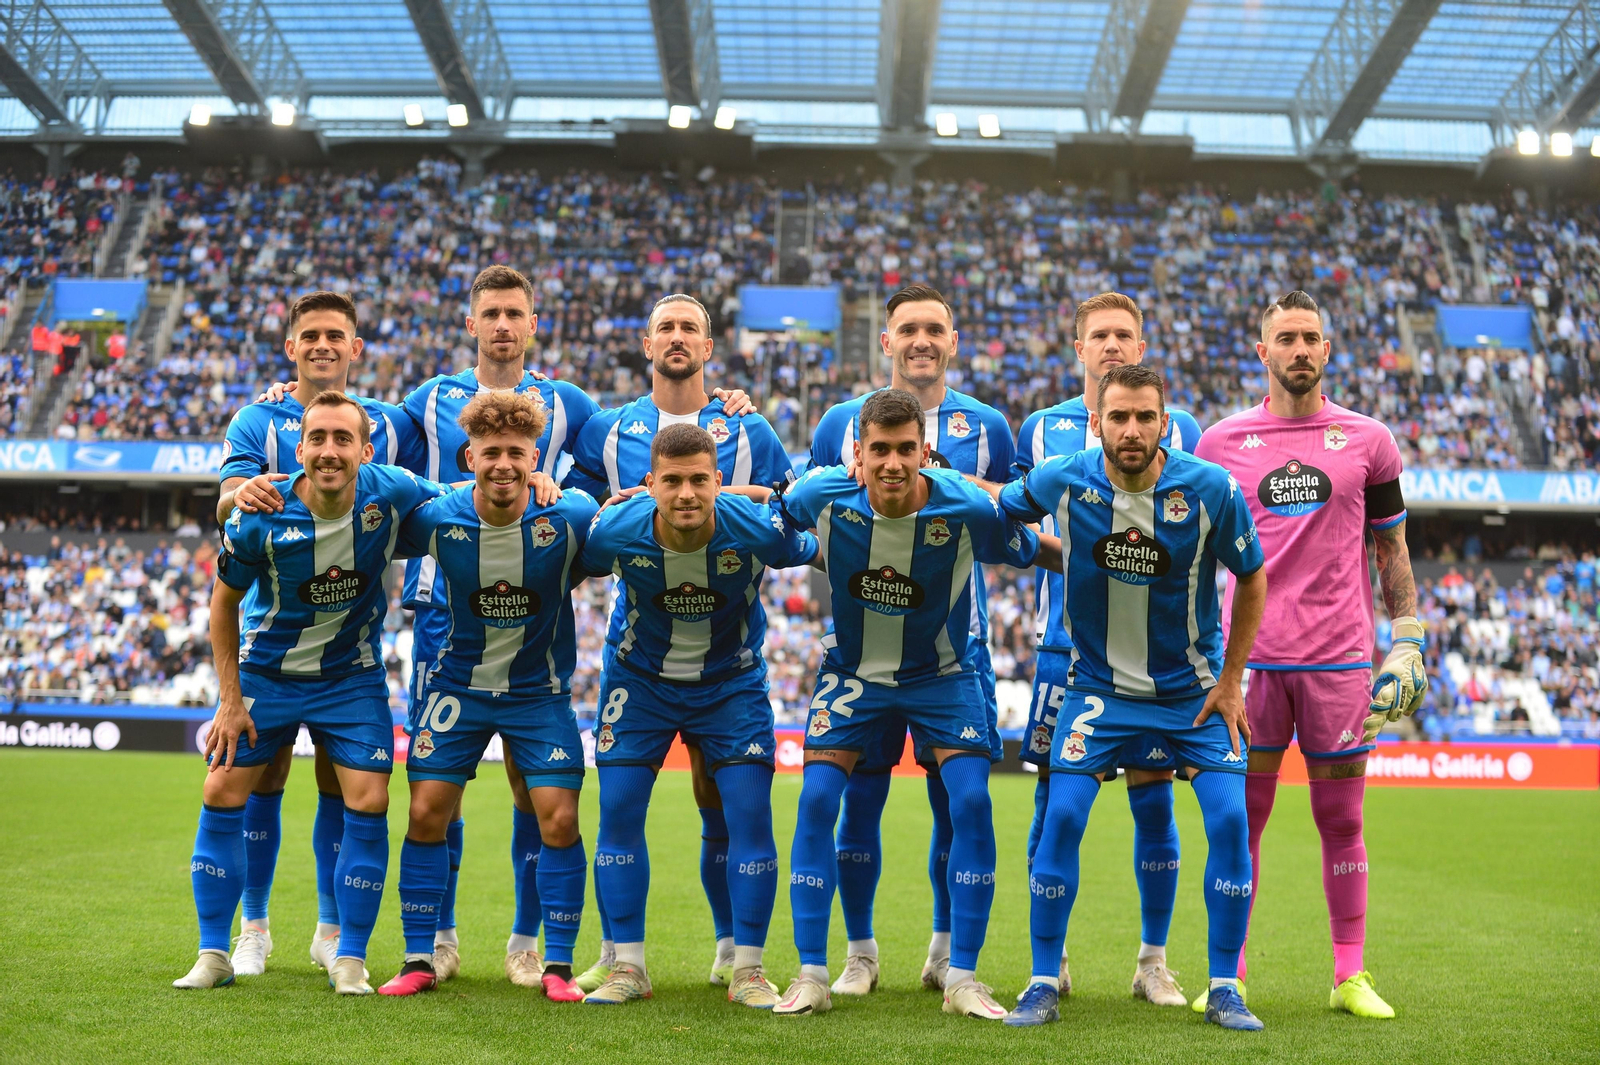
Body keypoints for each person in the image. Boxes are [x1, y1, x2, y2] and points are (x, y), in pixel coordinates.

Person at [995, 363, 1268, 1031]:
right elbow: (1003, 509)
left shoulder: (1209, 489)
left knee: (1230, 823)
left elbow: (1253, 576)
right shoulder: (1066, 477)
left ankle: (1226, 984)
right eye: (1119, 416)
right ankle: (1040, 980)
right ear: (1098, 422)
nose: (1132, 428)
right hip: (1099, 693)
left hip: (1194, 697)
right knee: (1060, 819)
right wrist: (1039, 547)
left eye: (1146, 416)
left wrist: (1233, 679)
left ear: (1165, 422)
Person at [773, 389, 1043, 1020]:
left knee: (973, 802)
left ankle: (964, 978)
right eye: (879, 451)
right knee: (817, 801)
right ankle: (818, 970)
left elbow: (1026, 548)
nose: (892, 464)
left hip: (942, 674)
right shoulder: (820, 498)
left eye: (904, 450)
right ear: (857, 458)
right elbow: (771, 525)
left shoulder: (968, 505)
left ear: (925, 452)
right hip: (854, 674)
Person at [1193, 290, 1426, 1019]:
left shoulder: (1369, 440)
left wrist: (1410, 632)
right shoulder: (1220, 443)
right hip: (1250, 667)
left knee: (1343, 819)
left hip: (1340, 663)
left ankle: (1350, 974)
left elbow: (1390, 543)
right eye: (1285, 337)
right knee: (1242, 821)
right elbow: (1196, 559)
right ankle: (1227, 974)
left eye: (1311, 337)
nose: (1299, 349)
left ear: (1328, 350)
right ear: (1261, 352)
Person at [173, 392, 444, 994]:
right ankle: (215, 951)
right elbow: (223, 603)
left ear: (364, 451)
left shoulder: (391, 490)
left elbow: (464, 501)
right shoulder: (259, 513)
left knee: (370, 800)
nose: (329, 450)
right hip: (267, 674)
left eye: (342, 439)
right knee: (220, 787)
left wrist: (535, 481)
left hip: (351, 679)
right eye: (317, 439)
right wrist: (229, 697)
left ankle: (348, 955)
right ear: (299, 450)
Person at [567, 293, 795, 992]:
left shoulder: (748, 427)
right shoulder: (607, 431)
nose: (676, 337)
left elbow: (790, 515)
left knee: (730, 808)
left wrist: (746, 500)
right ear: (646, 341)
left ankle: (739, 954)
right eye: (665, 326)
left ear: (708, 344)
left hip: (731, 667)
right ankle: (623, 959)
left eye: (688, 327)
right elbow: (577, 517)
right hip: (639, 665)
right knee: (620, 810)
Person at [806, 284, 1015, 995]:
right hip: (863, 649)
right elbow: (813, 514)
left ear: (952, 341)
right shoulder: (839, 418)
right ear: (886, 341)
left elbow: (1005, 516)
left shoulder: (988, 424)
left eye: (935, 328)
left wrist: (956, 484)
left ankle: (946, 947)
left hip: (956, 649)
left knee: (955, 804)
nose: (921, 340)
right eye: (908, 329)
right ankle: (859, 955)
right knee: (858, 804)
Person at [213, 290, 422, 979]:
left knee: (347, 781)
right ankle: (254, 925)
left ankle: (334, 930)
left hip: (350, 652)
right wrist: (240, 496)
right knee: (262, 773)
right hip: (273, 640)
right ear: (291, 347)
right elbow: (227, 504)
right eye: (311, 335)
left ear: (356, 348)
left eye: (338, 334)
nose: (324, 345)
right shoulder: (256, 418)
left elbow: (449, 471)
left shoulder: (390, 424)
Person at [1010, 291, 1204, 1003]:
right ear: (1080, 348)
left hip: (1155, 660)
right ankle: (1049, 959)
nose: (1113, 345)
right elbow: (1014, 523)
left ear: (1143, 344)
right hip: (1068, 648)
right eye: (1101, 335)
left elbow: (1194, 525)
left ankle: (1153, 961)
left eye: (1126, 334)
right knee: (1052, 802)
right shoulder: (1039, 429)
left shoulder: (1179, 426)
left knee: (1155, 804)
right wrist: (1086, 551)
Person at [379, 390, 598, 1001]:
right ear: (469, 456)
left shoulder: (571, 515)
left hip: (539, 692)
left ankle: (555, 966)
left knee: (558, 817)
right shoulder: (437, 517)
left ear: (535, 459)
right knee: (426, 814)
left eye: (516, 453)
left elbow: (623, 539)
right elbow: (367, 519)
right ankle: (420, 957)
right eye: (491, 452)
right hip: (458, 689)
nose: (503, 463)